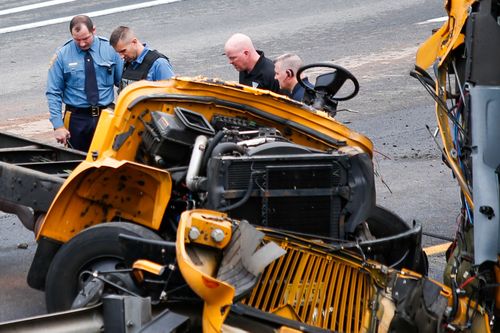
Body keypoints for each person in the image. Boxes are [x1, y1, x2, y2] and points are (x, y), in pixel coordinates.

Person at [46, 15, 123, 152]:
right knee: (76, 162)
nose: (82, 44)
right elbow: (54, 92)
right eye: (77, 40)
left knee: (109, 160)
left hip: (106, 115)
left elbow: (123, 84)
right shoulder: (62, 55)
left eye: (85, 38)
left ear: (94, 30)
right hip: (76, 119)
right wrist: (58, 126)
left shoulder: (110, 49)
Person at [109, 26, 174, 92]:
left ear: (134, 42)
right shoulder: (128, 63)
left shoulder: (159, 64)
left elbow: (171, 96)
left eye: (123, 51)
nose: (121, 57)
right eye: (118, 52)